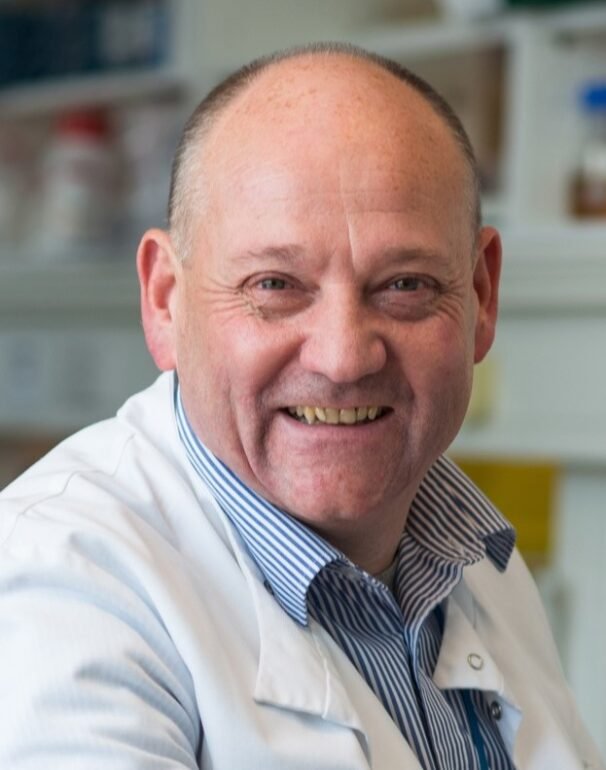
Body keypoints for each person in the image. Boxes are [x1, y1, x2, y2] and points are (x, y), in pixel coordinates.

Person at [0, 43, 602, 770]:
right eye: (275, 285)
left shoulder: (475, 564)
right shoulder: (60, 585)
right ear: (165, 300)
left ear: (480, 295)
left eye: (405, 285)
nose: (344, 357)